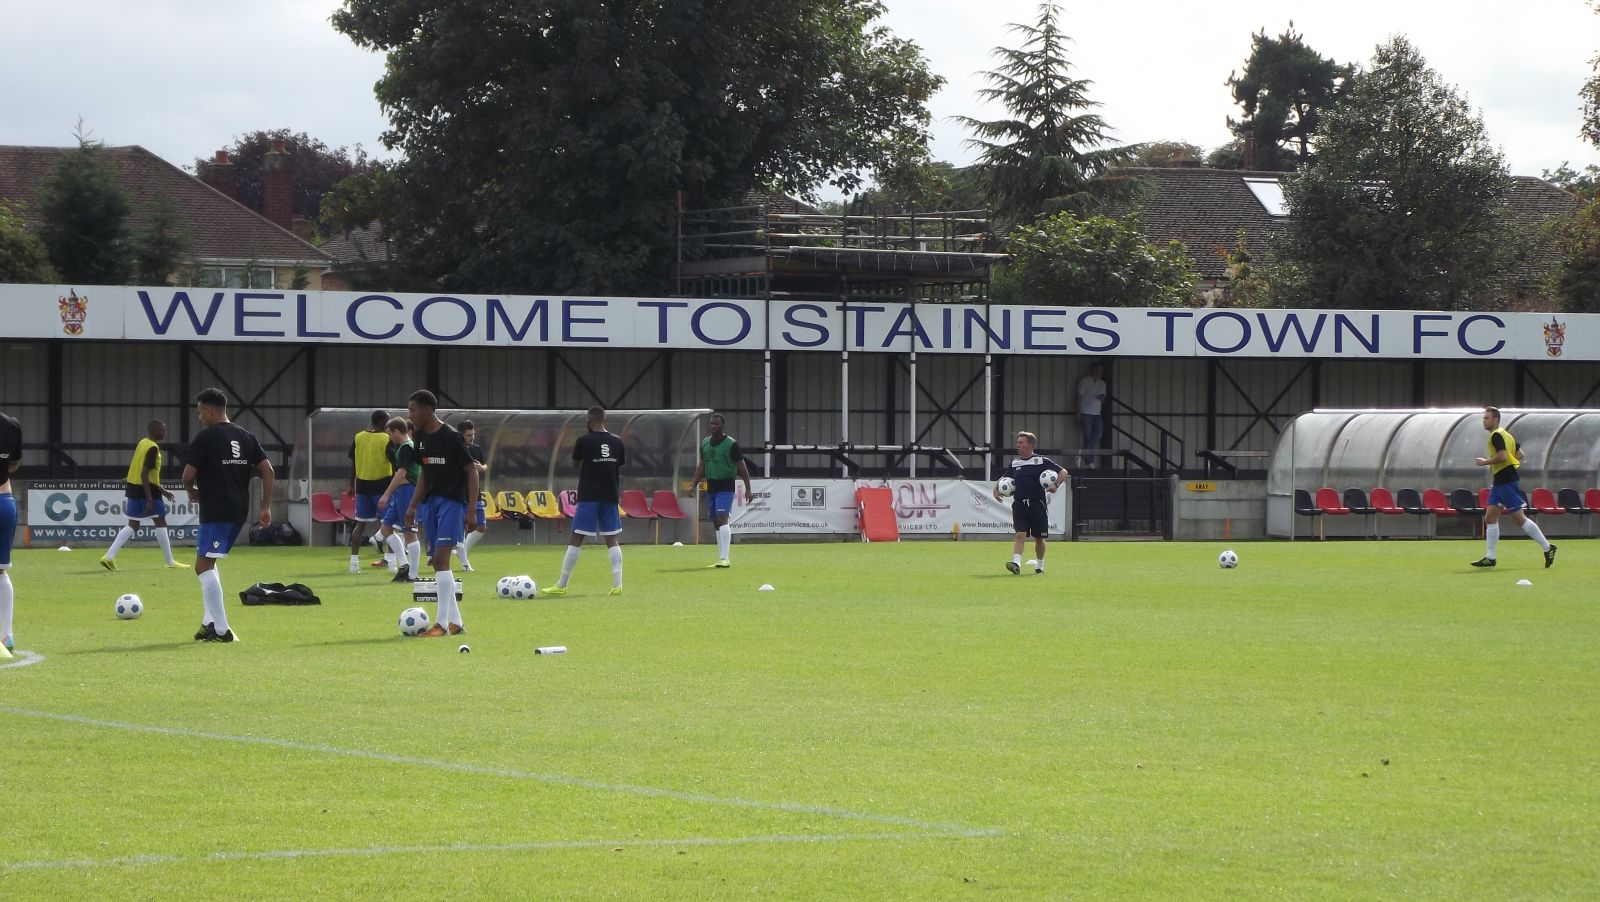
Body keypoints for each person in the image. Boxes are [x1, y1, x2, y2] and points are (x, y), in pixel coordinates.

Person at [181, 388, 273, 643]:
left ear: (209, 410)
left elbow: (187, 475)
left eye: (200, 412)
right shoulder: (246, 435)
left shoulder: (207, 437)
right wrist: (265, 506)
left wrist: (191, 491)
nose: (200, 417)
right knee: (211, 562)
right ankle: (209, 623)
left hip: (216, 509)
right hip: (238, 510)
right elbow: (268, 471)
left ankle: (222, 631)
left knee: (202, 566)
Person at [404, 391, 480, 637]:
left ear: (427, 409)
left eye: (413, 410)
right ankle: (456, 623)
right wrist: (413, 505)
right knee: (437, 561)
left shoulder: (451, 437)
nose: (410, 415)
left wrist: (471, 509)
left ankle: (441, 624)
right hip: (430, 503)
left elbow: (472, 471)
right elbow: (425, 473)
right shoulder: (421, 436)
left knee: (443, 559)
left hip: (451, 503)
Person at [544, 406, 625, 596]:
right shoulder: (617, 441)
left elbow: (575, 463)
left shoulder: (583, 441)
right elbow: (618, 463)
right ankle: (617, 584)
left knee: (576, 538)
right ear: (605, 420)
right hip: (610, 495)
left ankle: (561, 585)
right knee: (612, 538)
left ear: (588, 421)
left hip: (589, 495)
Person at [1471, 406, 1556, 569]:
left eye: (1487, 418)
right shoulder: (1506, 434)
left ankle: (1548, 547)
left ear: (1495, 419)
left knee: (1519, 519)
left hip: (1506, 481)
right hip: (1500, 481)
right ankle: (1490, 557)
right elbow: (1520, 454)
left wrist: (1484, 462)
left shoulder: (1496, 435)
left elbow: (1502, 456)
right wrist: (1507, 459)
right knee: (1490, 518)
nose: (1484, 421)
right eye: (1483, 418)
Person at [100, 420, 189, 572]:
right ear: (153, 431)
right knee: (161, 523)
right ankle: (170, 562)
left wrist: (163, 490)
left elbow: (143, 472)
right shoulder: (153, 448)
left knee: (132, 525)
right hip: (147, 492)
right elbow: (144, 474)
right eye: (162, 430)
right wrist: (149, 499)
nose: (164, 432)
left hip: (134, 489)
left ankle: (108, 557)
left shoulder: (143, 443)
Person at [993, 431, 1065, 575]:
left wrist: (1055, 484)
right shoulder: (1015, 463)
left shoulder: (1042, 461)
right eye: (1018, 442)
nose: (1018, 445)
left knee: (1039, 538)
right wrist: (996, 488)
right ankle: (1016, 564)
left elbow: (1063, 472)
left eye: (1021, 442)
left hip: (1037, 504)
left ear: (1030, 445)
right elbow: (1004, 477)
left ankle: (1039, 566)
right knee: (1020, 534)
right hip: (1019, 504)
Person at [691, 412, 753, 568]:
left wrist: (748, 489)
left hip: (726, 485)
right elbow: (702, 464)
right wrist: (694, 484)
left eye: (716, 424)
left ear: (722, 425)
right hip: (712, 485)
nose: (713, 426)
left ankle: (725, 558)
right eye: (711, 424)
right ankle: (721, 557)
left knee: (722, 517)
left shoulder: (731, 444)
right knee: (716, 522)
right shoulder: (705, 443)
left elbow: (742, 468)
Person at [376, 417, 421, 582]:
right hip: (401, 491)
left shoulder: (407, 448)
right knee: (386, 529)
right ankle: (404, 566)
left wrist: (386, 493)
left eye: (390, 434)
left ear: (396, 431)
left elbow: (402, 473)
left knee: (409, 532)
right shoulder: (404, 447)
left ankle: (413, 575)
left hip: (408, 491)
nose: (389, 437)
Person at [347, 409, 392, 573]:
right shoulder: (387, 439)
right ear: (381, 422)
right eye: (387, 421)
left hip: (362, 486)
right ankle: (392, 562)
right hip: (383, 487)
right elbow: (394, 463)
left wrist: (351, 485)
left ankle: (354, 563)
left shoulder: (358, 437)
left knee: (360, 525)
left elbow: (353, 462)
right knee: (389, 524)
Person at [454, 419, 490, 572]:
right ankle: (464, 563)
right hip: (459, 492)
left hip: (475, 492)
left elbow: (484, 465)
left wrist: (480, 467)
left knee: (481, 526)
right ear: (461, 435)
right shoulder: (455, 449)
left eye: (473, 434)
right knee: (461, 527)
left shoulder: (476, 449)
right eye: (469, 435)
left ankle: (463, 553)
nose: (472, 437)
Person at [0, 409, 21, 652]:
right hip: (5, 502)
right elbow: (13, 465)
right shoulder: (11, 423)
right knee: (1, 571)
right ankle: (7, 635)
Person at [1074, 361, 1107, 468]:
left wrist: (1102, 399)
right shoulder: (1084, 381)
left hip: (1097, 413)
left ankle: (1081, 454)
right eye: (1098, 370)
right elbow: (1078, 397)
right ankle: (1089, 461)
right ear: (1093, 370)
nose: (1100, 372)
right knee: (1087, 436)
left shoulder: (1102, 383)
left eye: (1101, 370)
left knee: (1098, 435)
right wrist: (1078, 412)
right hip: (1085, 412)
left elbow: (1104, 399)